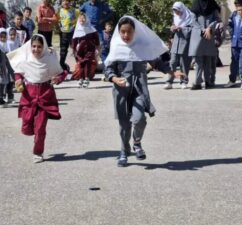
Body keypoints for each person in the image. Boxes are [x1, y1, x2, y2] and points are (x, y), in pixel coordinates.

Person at [104, 16, 170, 167]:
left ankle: (137, 142)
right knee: (124, 125)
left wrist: (170, 71)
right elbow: (108, 69)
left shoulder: (141, 47)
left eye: (129, 32)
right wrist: (114, 79)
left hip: (139, 90)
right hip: (121, 92)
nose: (126, 35)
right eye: (122, 32)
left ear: (135, 32)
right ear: (118, 32)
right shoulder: (116, 47)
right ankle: (123, 151)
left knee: (140, 119)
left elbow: (155, 61)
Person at [8, 34, 67, 163]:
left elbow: (63, 73)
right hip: (29, 95)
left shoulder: (50, 59)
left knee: (40, 128)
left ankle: (38, 152)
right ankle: (33, 134)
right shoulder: (25, 59)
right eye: (33, 46)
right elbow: (18, 72)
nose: (36, 49)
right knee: (27, 127)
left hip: (45, 95)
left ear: (44, 47)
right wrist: (18, 81)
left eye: (39, 47)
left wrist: (58, 79)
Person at [189, 0, 221, 90]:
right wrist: (202, 29)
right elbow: (192, 20)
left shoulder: (212, 5)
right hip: (198, 36)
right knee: (198, 61)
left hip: (209, 36)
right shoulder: (196, 5)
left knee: (208, 60)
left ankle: (208, 82)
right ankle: (198, 82)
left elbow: (217, 19)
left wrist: (209, 28)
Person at [164, 1, 194, 90]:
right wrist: (173, 28)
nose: (176, 12)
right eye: (174, 10)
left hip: (185, 43)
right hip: (176, 43)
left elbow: (193, 29)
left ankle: (184, 81)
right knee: (172, 62)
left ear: (182, 9)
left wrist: (182, 28)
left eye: (177, 10)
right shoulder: (175, 17)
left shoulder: (190, 17)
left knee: (184, 63)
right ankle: (169, 82)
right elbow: (173, 25)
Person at [72, 12, 99, 88]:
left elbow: (96, 39)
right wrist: (74, 49)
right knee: (81, 64)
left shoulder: (91, 28)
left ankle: (86, 79)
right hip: (80, 49)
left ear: (86, 19)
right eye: (80, 18)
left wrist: (97, 48)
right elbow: (74, 40)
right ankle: (80, 78)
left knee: (87, 63)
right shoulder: (77, 28)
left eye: (84, 18)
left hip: (89, 49)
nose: (82, 20)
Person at [0, 29, 15, 107]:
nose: (3, 39)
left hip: (3, 69)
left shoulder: (4, 47)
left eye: (4, 37)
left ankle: (0, 99)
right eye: (1, 37)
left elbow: (6, 59)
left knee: (1, 84)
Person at [57, 0, 80, 71]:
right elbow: (56, 21)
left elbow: (81, 20)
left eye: (67, 1)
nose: (65, 2)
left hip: (73, 33)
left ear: (70, 2)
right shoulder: (59, 11)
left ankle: (80, 67)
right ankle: (62, 66)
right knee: (63, 50)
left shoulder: (75, 11)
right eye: (64, 1)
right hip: (63, 33)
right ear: (61, 2)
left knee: (76, 49)